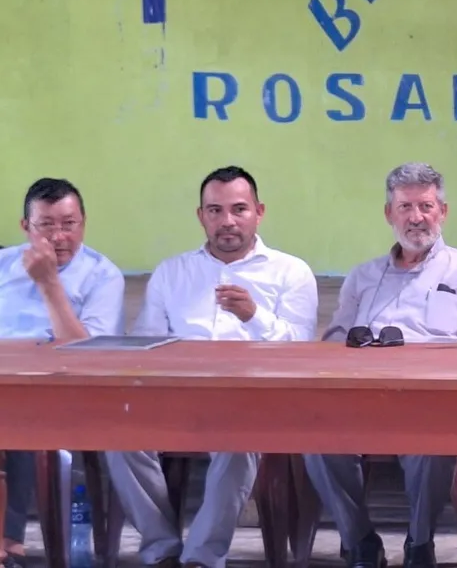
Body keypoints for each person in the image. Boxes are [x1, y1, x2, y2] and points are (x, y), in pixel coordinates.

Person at [105, 166, 318, 568]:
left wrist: (254, 315)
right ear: (201, 216)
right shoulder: (173, 272)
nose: (227, 221)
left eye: (239, 209)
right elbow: (145, 347)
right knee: (119, 437)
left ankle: (201, 558)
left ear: (259, 212)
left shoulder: (290, 272)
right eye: (215, 211)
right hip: (178, 396)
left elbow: (301, 350)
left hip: (256, 399)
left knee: (240, 440)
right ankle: (162, 550)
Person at [304, 162, 457, 568]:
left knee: (432, 439)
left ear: (443, 212)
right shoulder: (363, 276)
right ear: (389, 214)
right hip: (363, 396)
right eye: (405, 207)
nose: (416, 217)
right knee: (313, 438)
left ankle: (419, 543)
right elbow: (333, 341)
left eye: (426, 206)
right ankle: (360, 541)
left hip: (435, 400)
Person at [0, 178, 124, 567]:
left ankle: (9, 540)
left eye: (69, 224)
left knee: (18, 414)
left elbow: (86, 358)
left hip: (63, 391)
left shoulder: (102, 275)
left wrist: (49, 283)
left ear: (83, 223)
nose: (59, 236)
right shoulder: (3, 265)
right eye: (46, 225)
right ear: (25, 227)